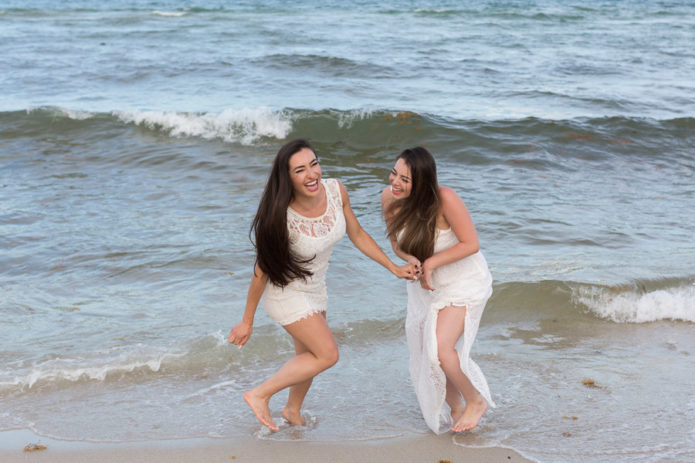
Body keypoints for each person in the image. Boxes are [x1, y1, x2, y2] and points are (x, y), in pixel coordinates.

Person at [228, 139, 415, 432]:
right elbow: (260, 272)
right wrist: (246, 321)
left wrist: (393, 267)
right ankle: (260, 394)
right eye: (300, 170)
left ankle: (292, 410)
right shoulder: (280, 217)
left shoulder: (336, 190)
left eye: (314, 164)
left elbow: (356, 232)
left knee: (308, 356)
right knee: (327, 354)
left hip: (316, 288)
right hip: (285, 294)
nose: (312, 174)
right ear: (287, 177)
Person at [381, 146, 495, 434]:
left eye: (404, 180)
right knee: (424, 354)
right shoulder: (389, 198)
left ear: (421, 183)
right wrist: (410, 261)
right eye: (394, 173)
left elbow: (471, 243)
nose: (395, 183)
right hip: (427, 288)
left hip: (463, 281)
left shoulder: (445, 199)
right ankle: (456, 407)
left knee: (441, 351)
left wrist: (431, 263)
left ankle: (475, 400)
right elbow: (397, 243)